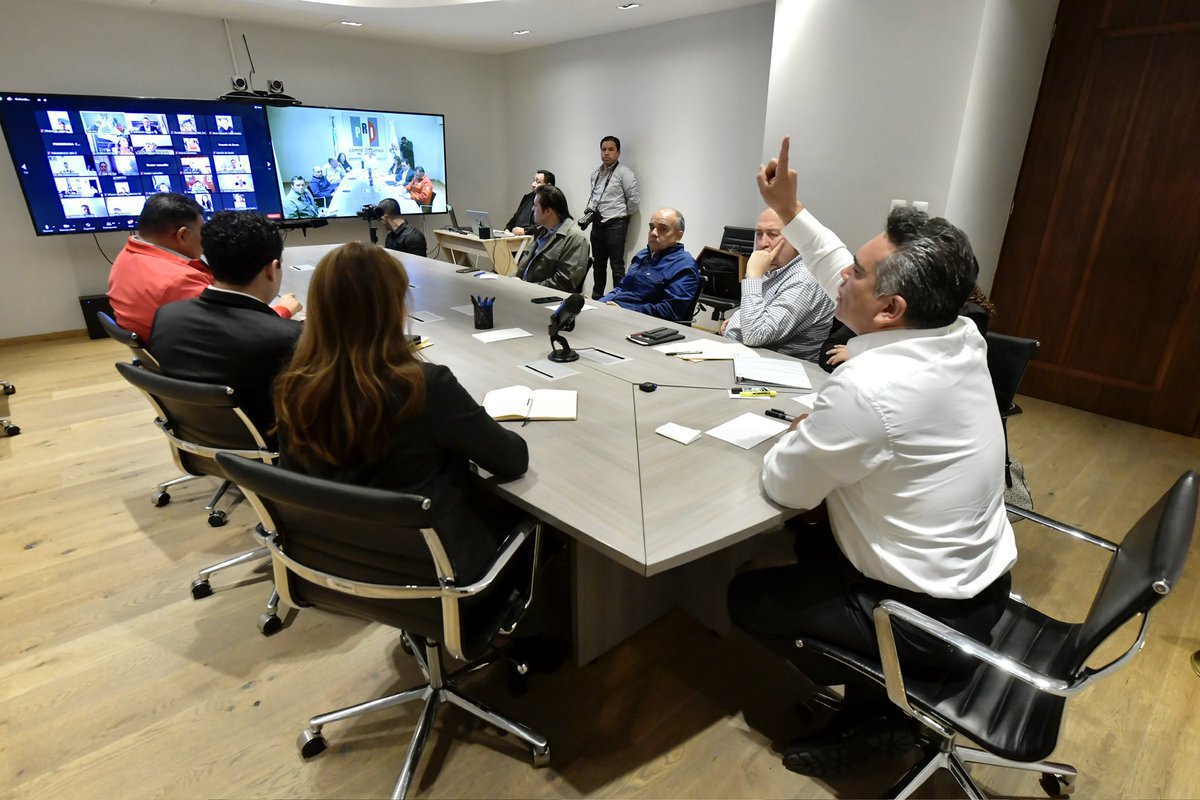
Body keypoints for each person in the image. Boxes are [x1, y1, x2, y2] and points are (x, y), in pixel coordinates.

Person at [727, 137, 1016, 776]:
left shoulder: (871, 389)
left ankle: (886, 711)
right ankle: (880, 695)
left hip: (925, 619)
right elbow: (837, 263)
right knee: (814, 537)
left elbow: (782, 485)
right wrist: (791, 208)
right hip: (986, 584)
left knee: (747, 597)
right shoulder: (958, 333)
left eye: (857, 276)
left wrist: (812, 432)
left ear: (890, 310)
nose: (841, 278)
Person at [273, 242, 529, 586]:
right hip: (438, 571)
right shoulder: (425, 386)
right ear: (393, 306)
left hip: (338, 559)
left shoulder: (292, 386)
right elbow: (512, 460)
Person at [149, 212, 302, 437]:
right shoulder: (290, 338)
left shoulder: (167, 316)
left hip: (199, 437)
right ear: (272, 268)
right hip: (280, 451)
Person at [107, 192, 300, 341]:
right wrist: (282, 312)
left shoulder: (127, 256)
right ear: (182, 235)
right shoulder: (178, 281)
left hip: (170, 349)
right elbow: (240, 332)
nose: (207, 238)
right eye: (203, 231)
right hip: (197, 361)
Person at [719, 207, 835, 363]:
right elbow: (755, 315)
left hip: (783, 371)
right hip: (749, 358)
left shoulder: (805, 279)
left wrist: (753, 276)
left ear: (797, 239)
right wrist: (736, 322)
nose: (762, 243)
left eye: (773, 235)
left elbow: (754, 336)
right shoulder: (776, 268)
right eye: (759, 234)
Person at [598, 208, 698, 322]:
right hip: (615, 314)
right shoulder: (642, 255)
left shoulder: (684, 265)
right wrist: (599, 304)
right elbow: (621, 288)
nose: (654, 233)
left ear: (678, 236)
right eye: (651, 227)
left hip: (640, 323)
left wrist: (625, 311)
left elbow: (671, 311)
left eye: (663, 229)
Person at [585, 136, 640, 299]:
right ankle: (596, 299)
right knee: (598, 265)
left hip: (616, 224)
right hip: (597, 224)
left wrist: (622, 216)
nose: (606, 153)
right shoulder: (595, 174)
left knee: (617, 266)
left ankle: (618, 301)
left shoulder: (625, 173)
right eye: (603, 149)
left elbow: (634, 201)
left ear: (618, 152)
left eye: (611, 149)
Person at [515, 185, 589, 292]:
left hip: (543, 299)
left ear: (548, 211)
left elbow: (564, 284)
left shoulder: (575, 239)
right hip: (525, 291)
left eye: (535, 206)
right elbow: (521, 269)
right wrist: (507, 281)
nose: (532, 209)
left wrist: (525, 286)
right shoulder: (540, 232)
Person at [505, 169, 555, 236]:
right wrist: (507, 228)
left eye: (538, 182)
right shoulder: (528, 197)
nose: (533, 184)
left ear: (548, 186)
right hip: (514, 236)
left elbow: (543, 225)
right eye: (534, 180)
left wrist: (525, 231)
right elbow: (516, 216)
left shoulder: (551, 201)